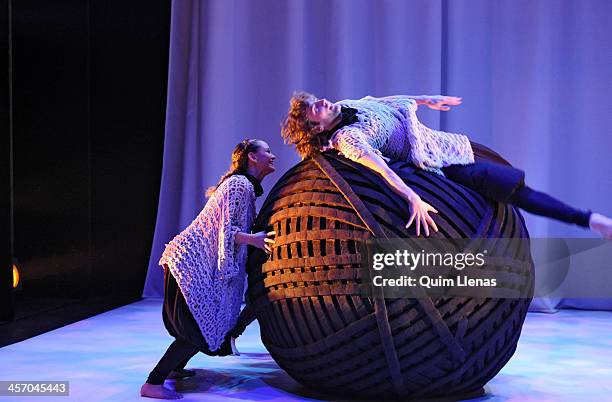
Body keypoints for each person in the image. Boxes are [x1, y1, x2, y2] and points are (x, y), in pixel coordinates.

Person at [281, 92, 612, 239]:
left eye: (315, 102)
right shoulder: (347, 139)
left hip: (443, 143)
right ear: (317, 128)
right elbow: (381, 170)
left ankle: (592, 221)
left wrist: (426, 99)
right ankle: (593, 222)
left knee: (516, 186)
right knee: (513, 190)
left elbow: (388, 102)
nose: (319, 103)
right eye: (313, 110)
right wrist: (412, 198)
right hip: (433, 165)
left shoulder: (346, 104)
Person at [141, 139, 277, 400]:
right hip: (190, 263)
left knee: (202, 325)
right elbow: (227, 231)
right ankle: (153, 383)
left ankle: (174, 369)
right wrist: (256, 240)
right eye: (267, 151)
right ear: (252, 157)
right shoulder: (240, 185)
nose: (272, 156)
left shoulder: (243, 186)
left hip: (187, 260)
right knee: (198, 327)